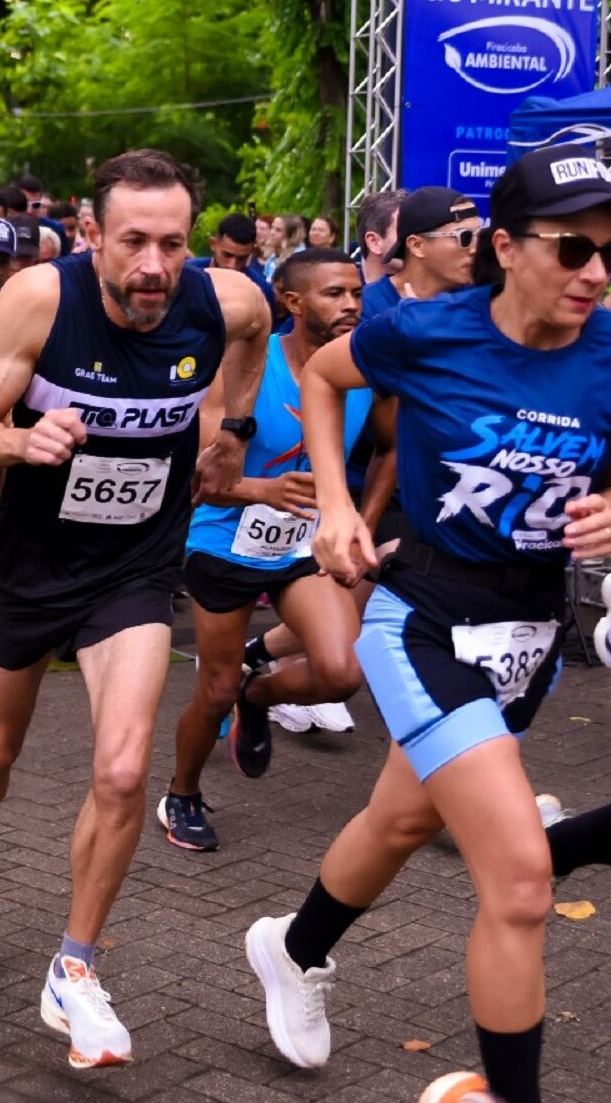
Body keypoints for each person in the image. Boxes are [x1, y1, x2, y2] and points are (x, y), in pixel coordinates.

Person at [246, 144, 611, 1103]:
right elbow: (325, 379)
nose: (593, 272)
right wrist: (332, 504)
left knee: (400, 815)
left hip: (527, 633)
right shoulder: (427, 329)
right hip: (420, 613)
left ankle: (292, 950)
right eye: (572, 248)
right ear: (504, 244)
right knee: (524, 882)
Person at [0, 149, 270, 1068]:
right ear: (91, 236)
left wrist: (227, 434)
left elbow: (253, 337)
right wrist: (19, 437)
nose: (153, 265)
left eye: (172, 242)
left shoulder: (223, 300)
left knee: (123, 772)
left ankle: (74, 968)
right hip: (30, 563)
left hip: (131, 568)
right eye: (132, 242)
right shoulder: (41, 299)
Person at [158, 249, 381, 851]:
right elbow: (198, 475)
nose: (352, 305)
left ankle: (260, 697)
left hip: (301, 545)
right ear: (292, 302)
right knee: (213, 692)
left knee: (341, 673)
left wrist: (361, 517)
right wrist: (262, 488)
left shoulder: (361, 369)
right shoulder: (246, 368)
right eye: (335, 294)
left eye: (356, 293)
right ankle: (182, 792)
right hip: (224, 541)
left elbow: (388, 445)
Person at [362, 186, 480, 319]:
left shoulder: (482, 302)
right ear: (417, 246)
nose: (475, 249)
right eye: (465, 237)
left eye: (479, 235)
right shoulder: (369, 306)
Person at [188, 212, 276, 317]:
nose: (232, 265)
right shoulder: (185, 274)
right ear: (213, 244)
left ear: (252, 251)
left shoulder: (261, 291)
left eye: (241, 258)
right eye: (227, 255)